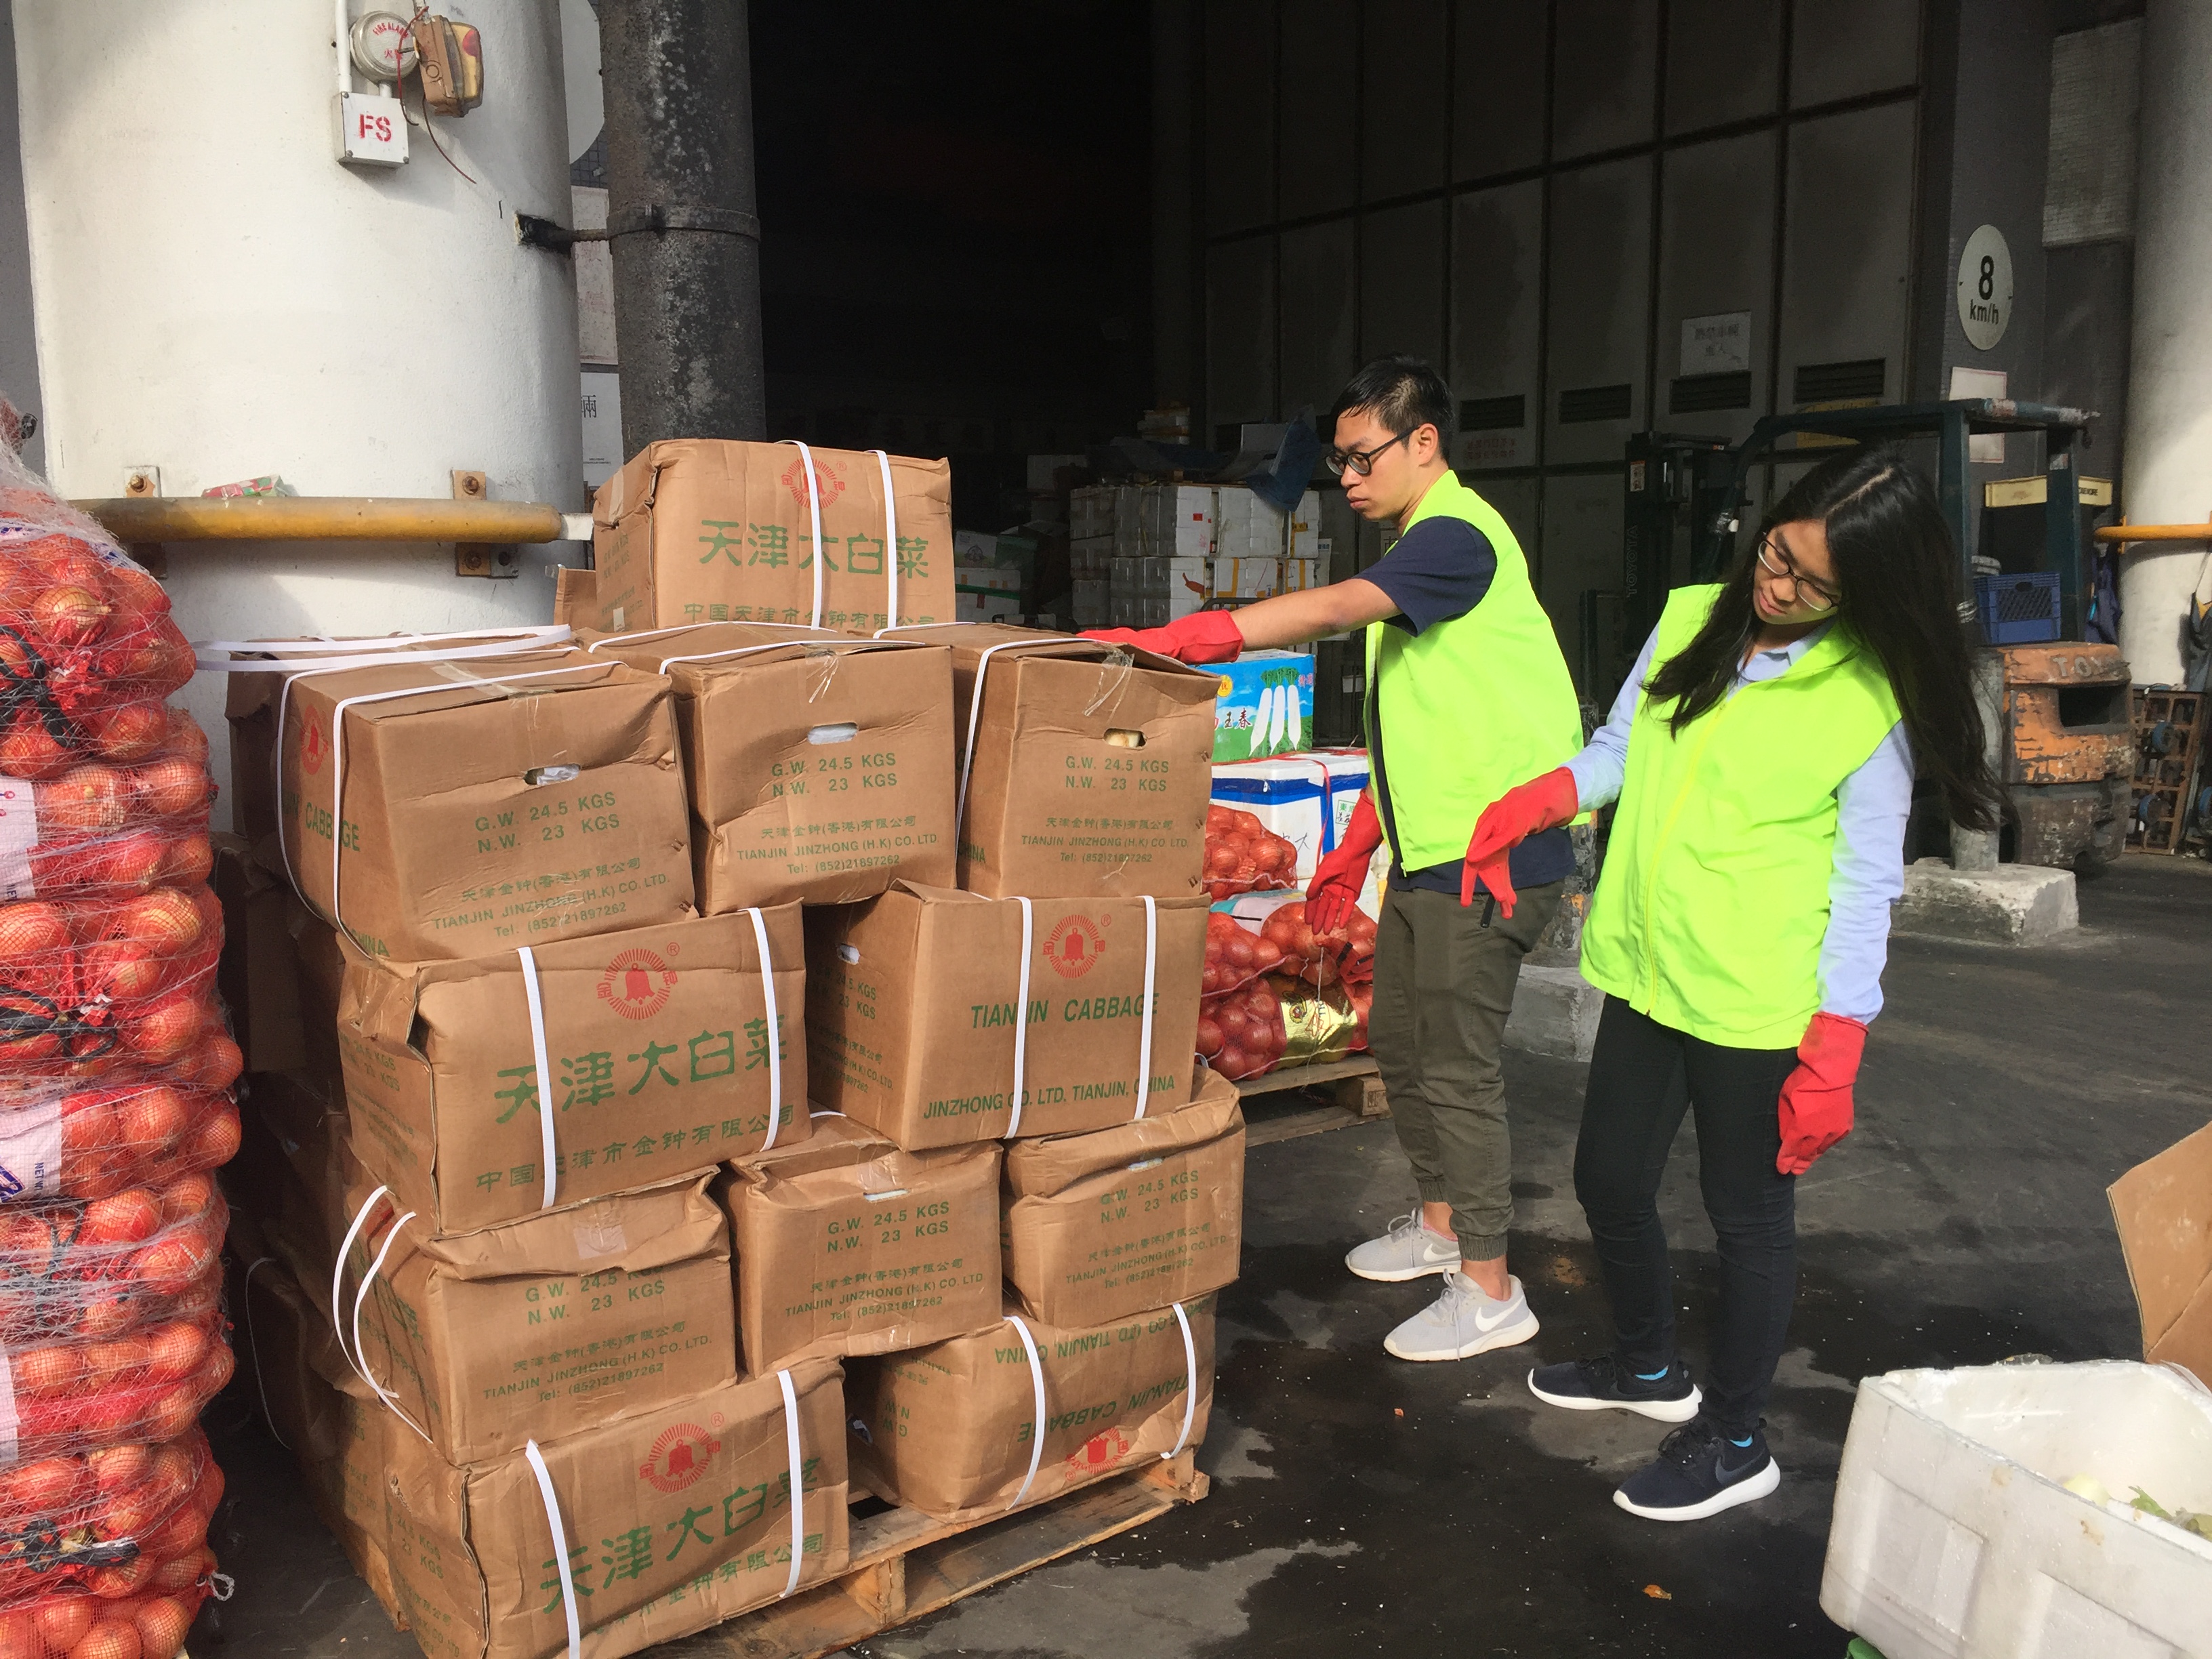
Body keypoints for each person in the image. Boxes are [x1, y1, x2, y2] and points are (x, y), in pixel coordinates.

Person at [1462, 445, 2003, 1520]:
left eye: (1811, 582)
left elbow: (1862, 883)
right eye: (1777, 552)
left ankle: (1738, 1436)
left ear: (1866, 594)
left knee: (1747, 1219)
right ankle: (1648, 1366)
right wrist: (1542, 796)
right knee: (1609, 1180)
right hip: (1651, 968)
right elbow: (1625, 743)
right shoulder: (1693, 617)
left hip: (1759, 1000)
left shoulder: (1866, 697)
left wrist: (1839, 1040)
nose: (1779, 586)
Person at [1084, 356, 1584, 1362]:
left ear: (1424, 444)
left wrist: (1195, 636)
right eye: (1340, 463)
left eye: (1362, 459)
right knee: (1398, 1040)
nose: (1347, 480)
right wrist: (1356, 846)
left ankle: (1491, 1288)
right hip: (1431, 852)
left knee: (1455, 1068)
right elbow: (1430, 724)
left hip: (1488, 866)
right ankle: (1444, 1227)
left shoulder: (1457, 540)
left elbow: (1330, 608)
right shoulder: (1426, 549)